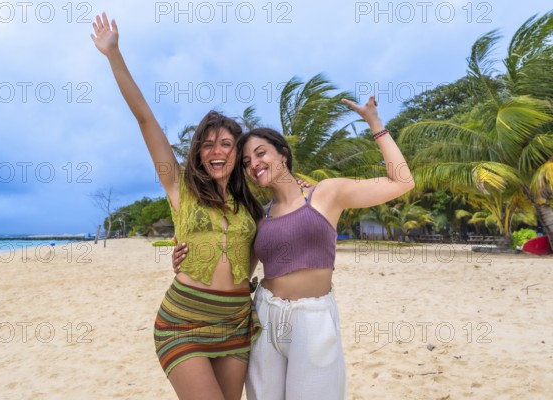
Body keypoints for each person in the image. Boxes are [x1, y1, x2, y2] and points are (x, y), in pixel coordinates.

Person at [173, 96, 415, 399]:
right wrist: (187, 257)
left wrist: (375, 124)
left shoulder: (326, 194)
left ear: (283, 154)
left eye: (261, 153)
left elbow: (402, 181)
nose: (255, 164)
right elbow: (236, 269)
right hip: (265, 315)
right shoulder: (259, 216)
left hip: (312, 318)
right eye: (247, 162)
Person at [90, 13, 263, 400]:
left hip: (235, 325)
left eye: (226, 144)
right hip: (182, 324)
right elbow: (145, 119)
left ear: (237, 152)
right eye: (208, 143)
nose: (216, 152)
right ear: (197, 151)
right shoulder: (180, 188)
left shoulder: (250, 203)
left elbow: (261, 248)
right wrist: (113, 54)